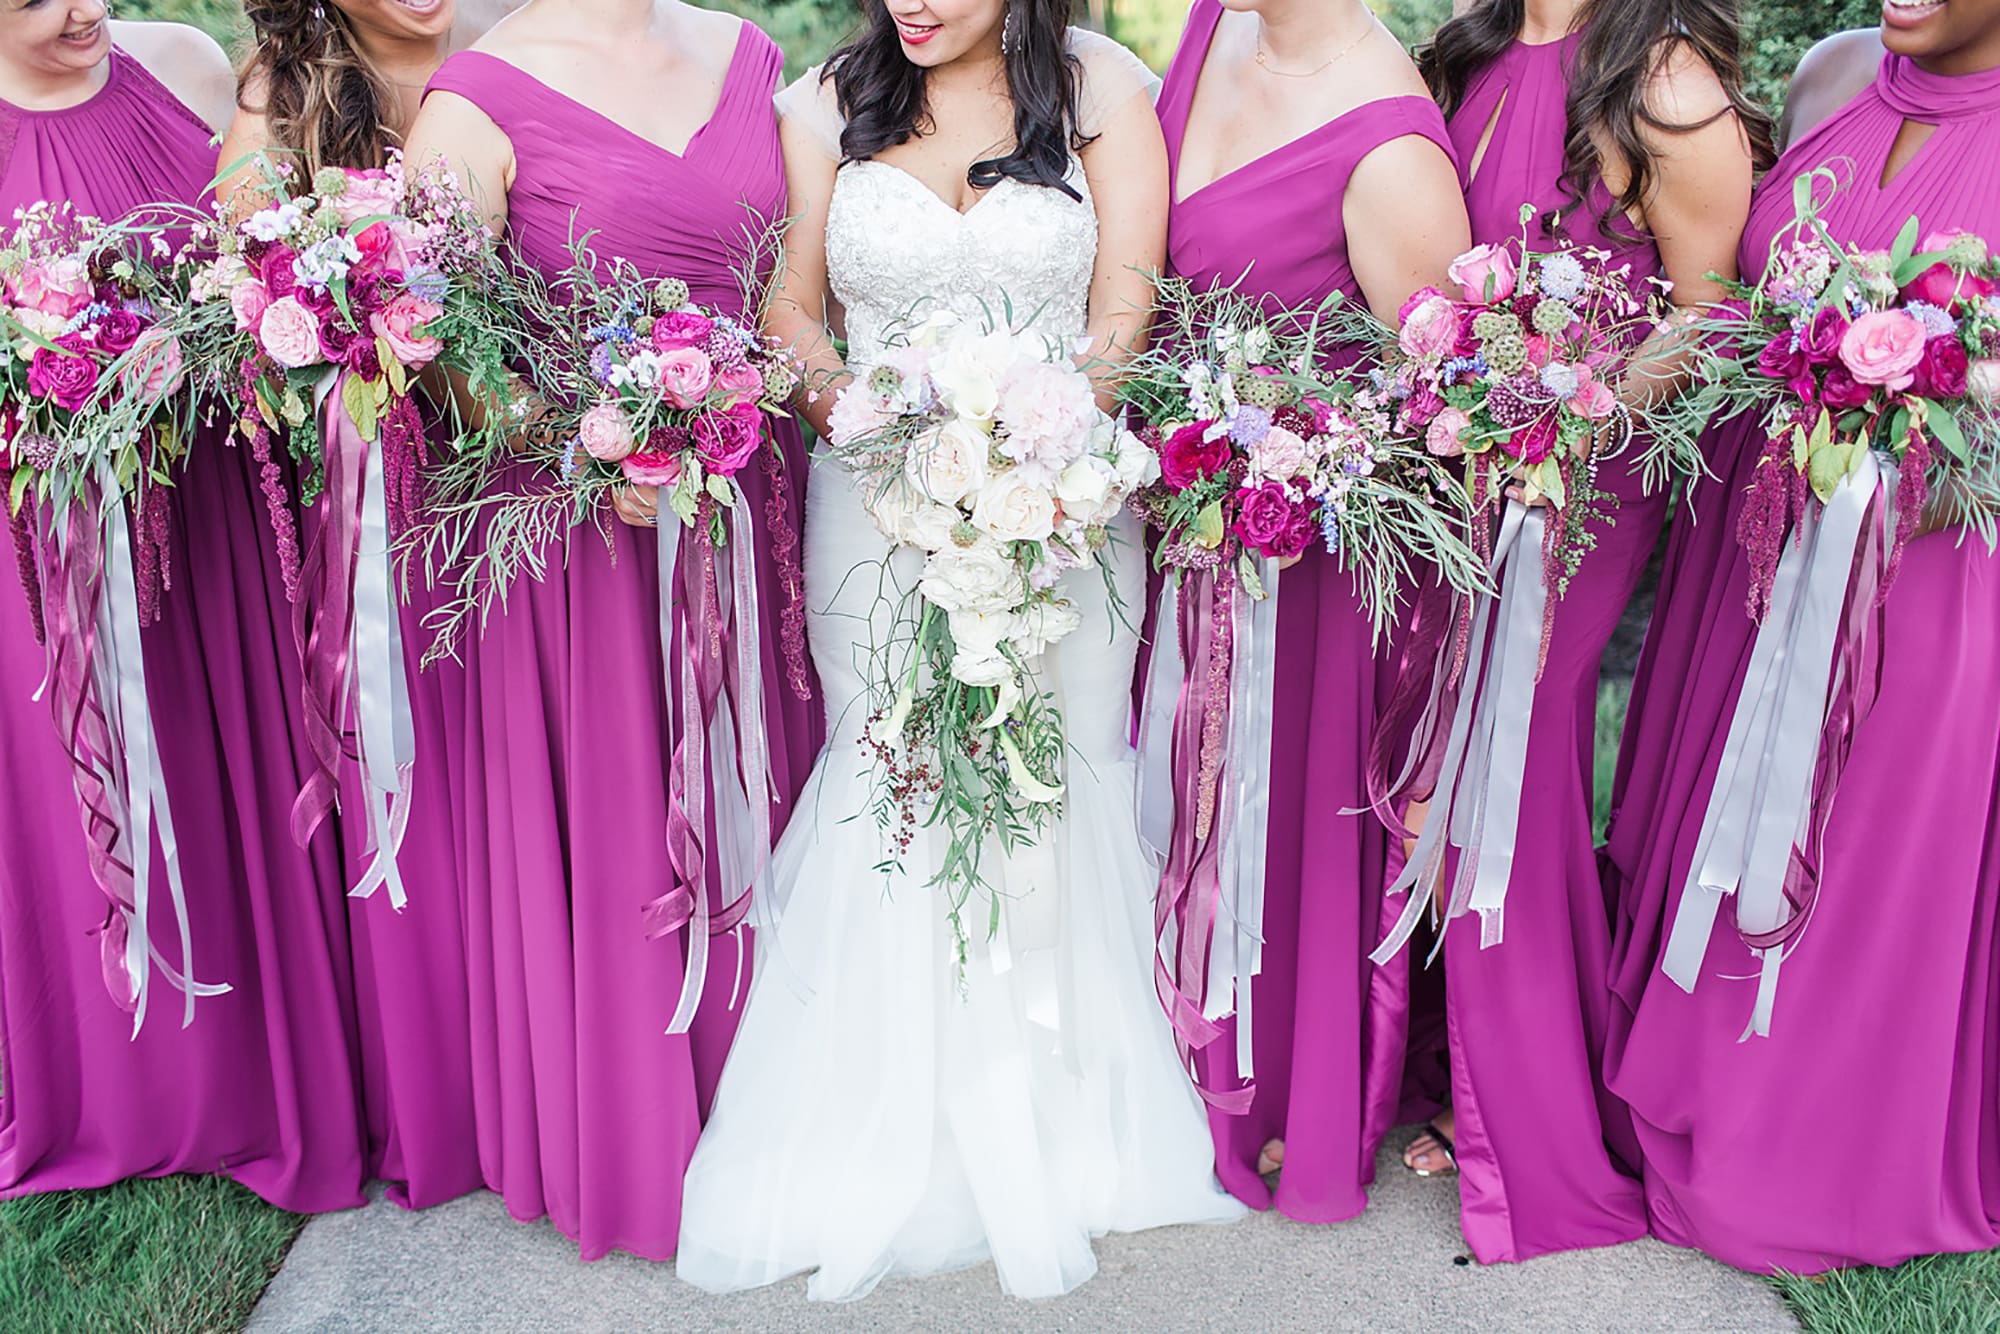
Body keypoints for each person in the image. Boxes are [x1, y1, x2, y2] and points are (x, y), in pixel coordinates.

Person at [675, 0, 1246, 1299]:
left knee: (1057, 773)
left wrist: (1023, 450)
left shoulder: (1106, 87)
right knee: (897, 773)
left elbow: (1126, 298)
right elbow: (793, 307)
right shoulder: (823, 102)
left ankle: (1063, 1114)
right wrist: (883, 430)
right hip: (871, 505)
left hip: (1064, 508)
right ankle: (887, 1119)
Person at [405, 0, 821, 1261]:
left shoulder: (750, 52)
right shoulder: (472, 100)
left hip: (753, 502)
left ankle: (794, 1100)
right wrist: (586, 447)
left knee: (769, 786)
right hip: (584, 536)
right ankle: (643, 1135)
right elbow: (444, 345)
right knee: (629, 822)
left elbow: (793, 287)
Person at [1602, 0, 2000, 1274]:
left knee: (1854, 844)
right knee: (1727, 816)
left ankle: (1814, 1154)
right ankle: (1688, 1092)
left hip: (1924, 584)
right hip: (1753, 544)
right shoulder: (1833, 75)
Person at [1391, 0, 1767, 1264]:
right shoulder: (1467, 51)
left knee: (1517, 755)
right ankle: (1456, 1068)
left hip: (1582, 483)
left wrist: (1571, 411)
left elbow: (1711, 306)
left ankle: (1533, 1120)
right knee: (1441, 753)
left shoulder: (1661, 73)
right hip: (1459, 465)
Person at [0, 4, 369, 1211]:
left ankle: (287, 1062)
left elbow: (250, 258)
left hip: (211, 505)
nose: (81, 11)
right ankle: (145, 1085)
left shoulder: (187, 64)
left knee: (242, 775)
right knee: (88, 798)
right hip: (50, 544)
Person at [1153, 0, 1472, 1223]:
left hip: (1312, 567)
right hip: (1186, 525)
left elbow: (1434, 408)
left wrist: (1279, 467)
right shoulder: (1210, 29)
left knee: (1281, 812)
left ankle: (1287, 1081)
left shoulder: (1387, 146)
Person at [221, 0, 500, 1210]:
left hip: (506, 471)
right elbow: (237, 259)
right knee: (406, 779)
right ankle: (431, 1089)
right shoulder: (283, 83)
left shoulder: (508, 51)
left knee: (502, 783)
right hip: (368, 494)